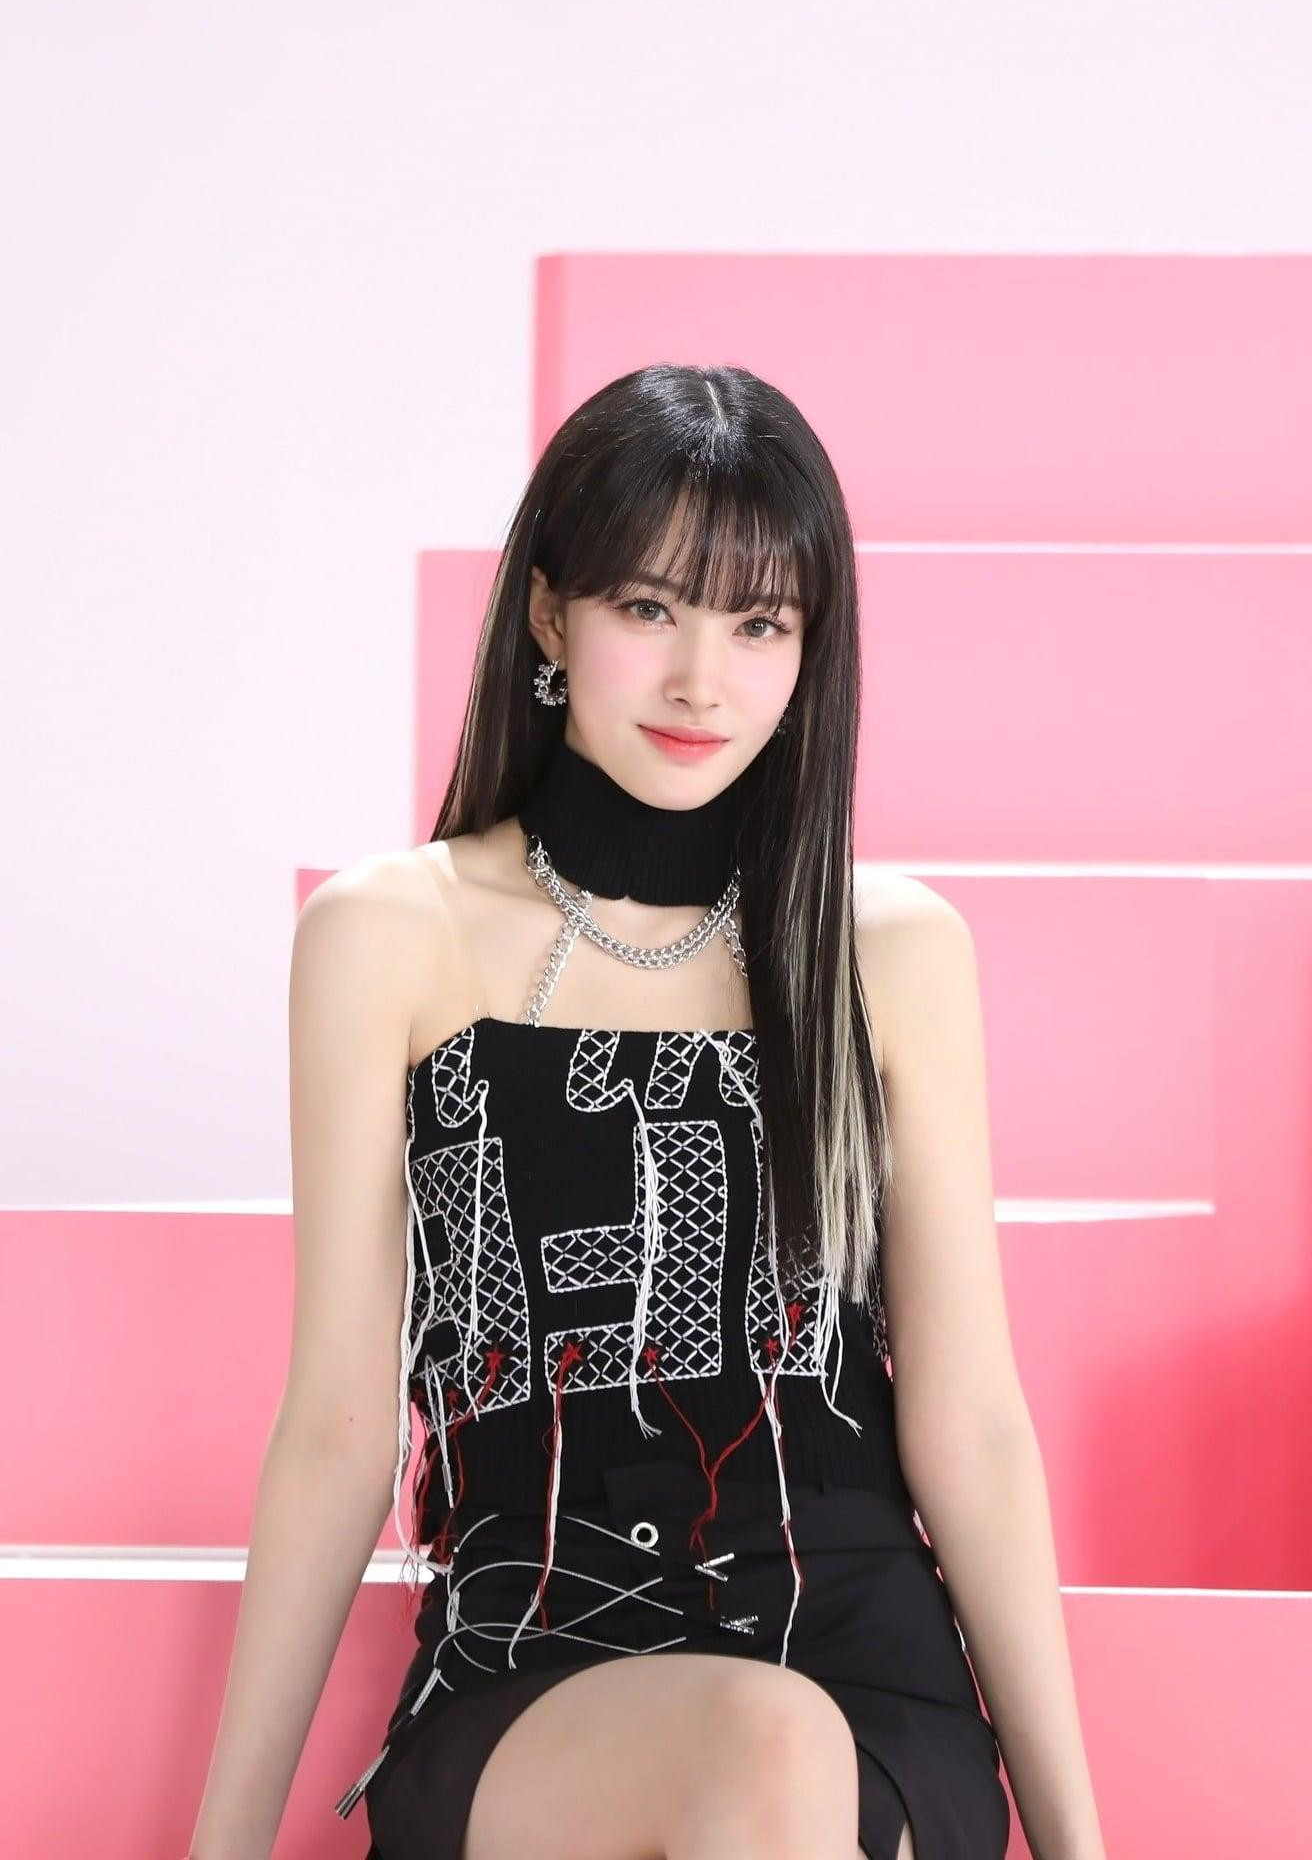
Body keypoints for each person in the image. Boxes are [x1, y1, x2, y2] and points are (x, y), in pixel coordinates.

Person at [189, 364, 1105, 1860]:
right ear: (549, 617)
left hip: (864, 1669)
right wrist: (219, 1846)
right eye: (649, 608)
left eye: (760, 624)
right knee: (760, 1743)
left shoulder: (894, 953)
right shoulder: (391, 935)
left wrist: (1080, 1844)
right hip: (535, 1665)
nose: (701, 680)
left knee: (783, 1747)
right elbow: (340, 1429)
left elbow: (974, 1427)